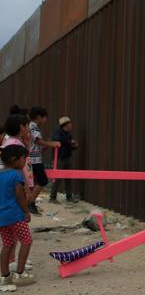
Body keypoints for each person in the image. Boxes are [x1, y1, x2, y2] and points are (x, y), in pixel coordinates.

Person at [0, 145, 36, 288]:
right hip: (16, 215)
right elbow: (19, 195)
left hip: (2, 218)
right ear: (15, 160)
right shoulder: (16, 174)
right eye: (24, 159)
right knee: (26, 241)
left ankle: (5, 276)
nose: (25, 162)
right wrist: (26, 212)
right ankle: (20, 274)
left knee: (7, 245)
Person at [27, 107, 60, 215]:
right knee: (42, 180)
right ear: (39, 117)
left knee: (35, 182)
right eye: (45, 117)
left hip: (33, 158)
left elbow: (36, 144)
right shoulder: (34, 127)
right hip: (34, 159)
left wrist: (46, 146)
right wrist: (52, 144)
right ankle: (30, 203)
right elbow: (38, 141)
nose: (45, 120)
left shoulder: (30, 126)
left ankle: (30, 202)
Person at [50, 117, 79, 203]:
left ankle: (69, 197)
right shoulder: (58, 133)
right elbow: (59, 141)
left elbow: (71, 144)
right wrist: (71, 142)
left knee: (68, 178)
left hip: (67, 157)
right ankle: (52, 197)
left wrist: (75, 145)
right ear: (66, 124)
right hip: (59, 158)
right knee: (58, 178)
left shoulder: (68, 134)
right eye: (69, 123)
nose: (71, 125)